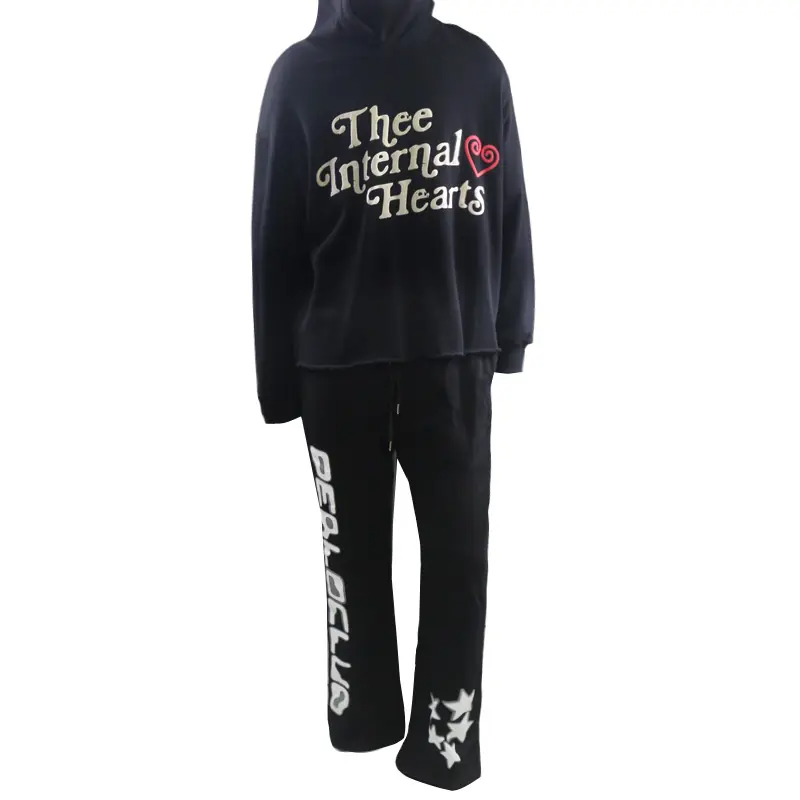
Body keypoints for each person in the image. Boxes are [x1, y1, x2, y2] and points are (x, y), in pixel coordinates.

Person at [251, 0, 535, 790]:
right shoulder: (298, 76)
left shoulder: (475, 67)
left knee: (459, 561)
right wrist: (277, 380)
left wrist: (509, 333)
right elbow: (273, 233)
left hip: (454, 360)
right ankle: (363, 716)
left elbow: (509, 208)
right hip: (336, 369)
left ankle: (445, 742)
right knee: (350, 558)